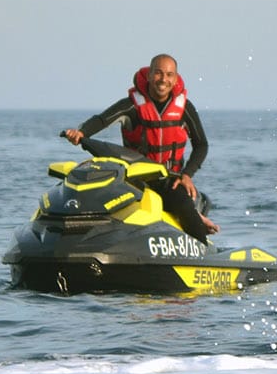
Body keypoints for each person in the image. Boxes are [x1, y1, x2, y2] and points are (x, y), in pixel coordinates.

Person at [62, 53, 219, 239]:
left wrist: (187, 175)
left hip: (169, 180)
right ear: (150, 75)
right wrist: (82, 133)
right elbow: (103, 120)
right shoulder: (132, 106)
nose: (163, 80)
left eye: (169, 75)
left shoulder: (184, 108)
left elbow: (201, 145)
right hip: (134, 179)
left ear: (175, 78)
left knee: (181, 203)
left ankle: (199, 238)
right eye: (159, 73)